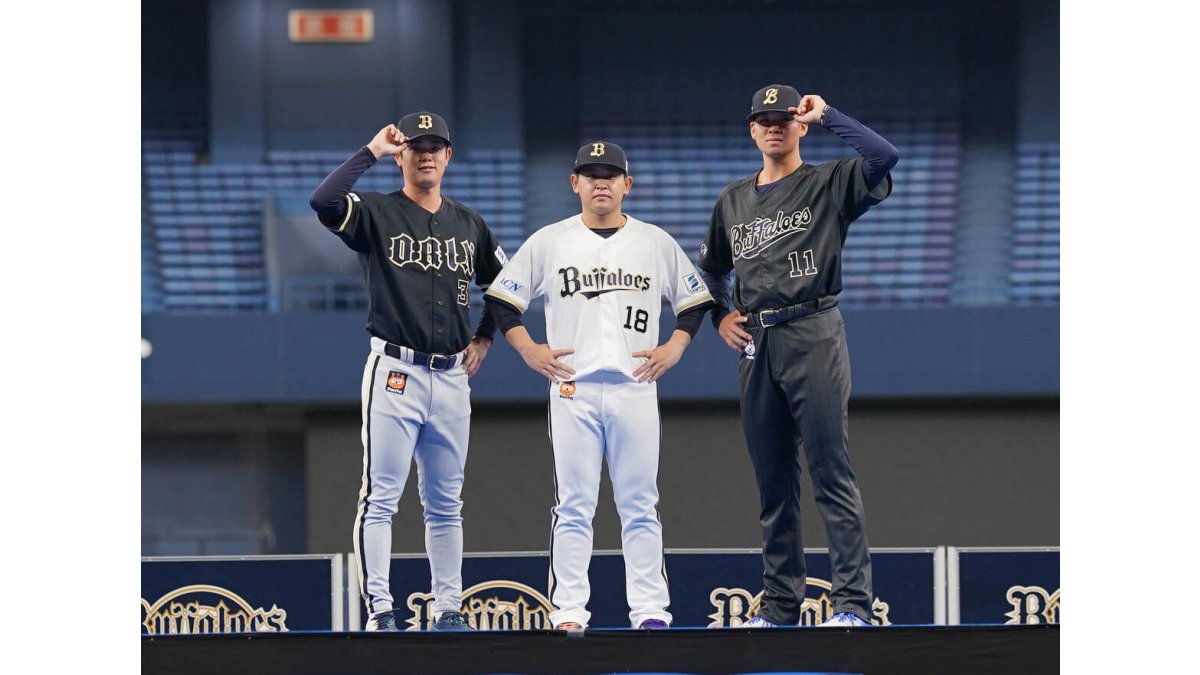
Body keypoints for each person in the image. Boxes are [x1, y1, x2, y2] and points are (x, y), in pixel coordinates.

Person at [484, 142, 714, 630]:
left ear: (627, 184)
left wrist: (675, 345)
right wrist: (529, 348)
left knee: (640, 504)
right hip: (573, 388)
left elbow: (694, 301)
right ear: (575, 184)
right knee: (572, 506)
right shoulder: (550, 241)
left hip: (635, 386)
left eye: (610, 174)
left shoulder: (654, 242)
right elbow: (504, 299)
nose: (601, 182)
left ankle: (651, 611)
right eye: (590, 174)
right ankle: (568, 612)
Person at [697, 85, 899, 628]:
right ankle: (781, 609)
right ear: (752, 129)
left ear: (800, 125)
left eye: (784, 118)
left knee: (831, 472)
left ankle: (852, 605)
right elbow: (712, 269)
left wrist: (830, 112)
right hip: (756, 342)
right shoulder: (733, 200)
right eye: (764, 119)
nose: (774, 127)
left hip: (813, 327)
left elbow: (883, 156)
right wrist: (720, 315)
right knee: (773, 484)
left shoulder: (829, 182)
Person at [308, 112, 508, 632]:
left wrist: (485, 334)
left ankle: (448, 610)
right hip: (395, 370)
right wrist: (369, 151)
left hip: (451, 376)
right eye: (416, 146)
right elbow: (324, 201)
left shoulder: (469, 224)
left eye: (435, 145)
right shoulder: (376, 212)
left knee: (446, 503)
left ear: (448, 155)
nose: (426, 154)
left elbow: (506, 288)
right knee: (381, 499)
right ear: (402, 155)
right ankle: (379, 610)